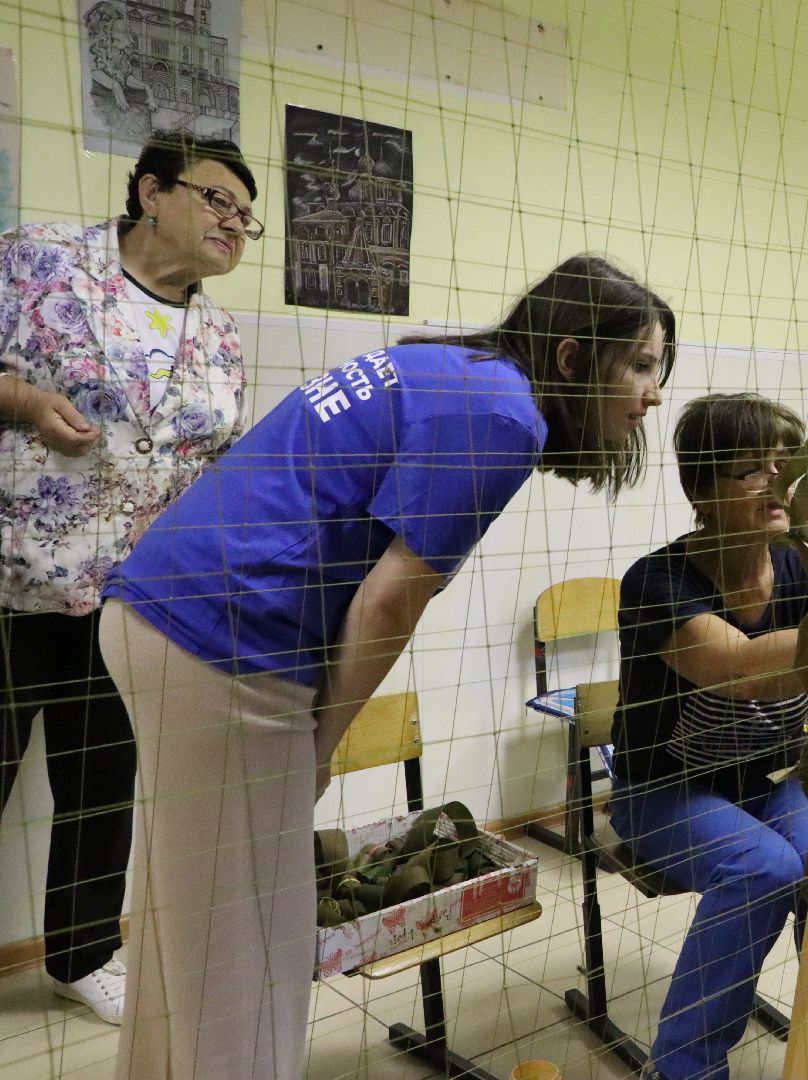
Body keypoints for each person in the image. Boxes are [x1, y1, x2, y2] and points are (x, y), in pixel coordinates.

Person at [97, 253, 674, 1080]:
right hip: (226, 640)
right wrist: (319, 745)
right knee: (252, 943)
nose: (654, 393)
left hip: (165, 609)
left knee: (187, 919)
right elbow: (388, 604)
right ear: (574, 357)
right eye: (644, 365)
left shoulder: (444, 363)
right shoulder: (508, 414)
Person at [0, 130, 259, 1025]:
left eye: (245, 216)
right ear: (152, 192)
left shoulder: (219, 336)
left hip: (134, 600)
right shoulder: (39, 262)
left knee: (103, 783)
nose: (236, 223)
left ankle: (81, 954)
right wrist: (26, 403)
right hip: (11, 582)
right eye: (219, 199)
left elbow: (222, 463)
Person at [612, 392, 808, 1080]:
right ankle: (682, 1067)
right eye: (754, 468)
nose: (781, 482)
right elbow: (735, 670)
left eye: (790, 464)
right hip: (661, 793)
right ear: (702, 489)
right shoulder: (654, 582)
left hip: (771, 782)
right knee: (762, 869)